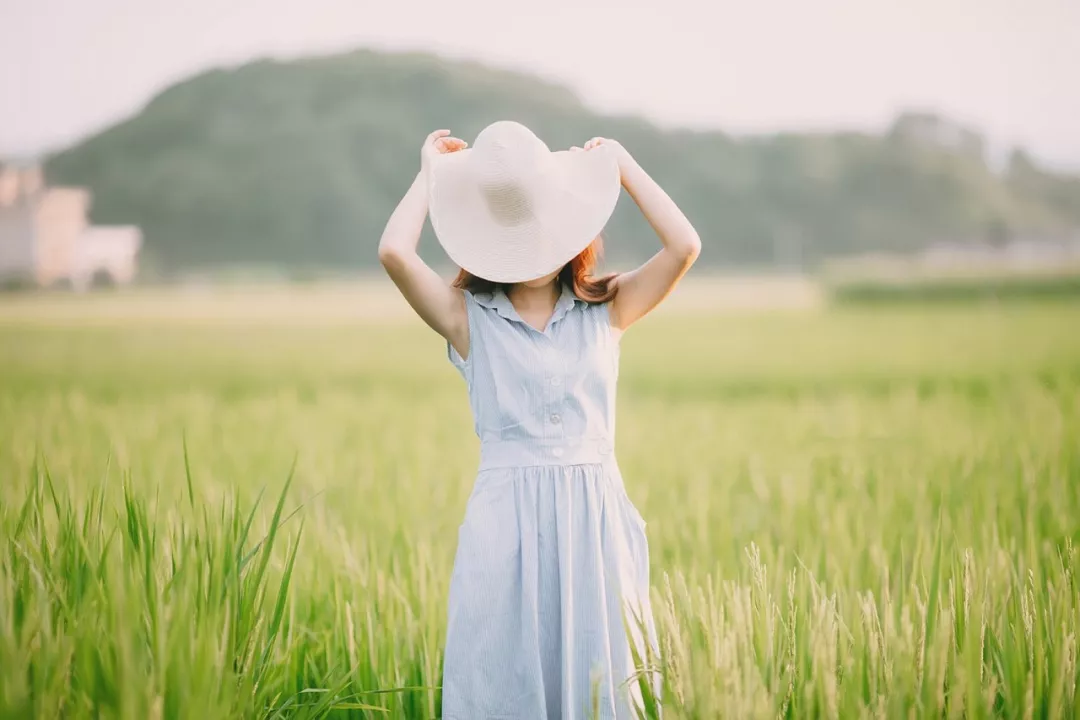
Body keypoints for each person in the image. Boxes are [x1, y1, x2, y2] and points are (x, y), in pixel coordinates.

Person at [378, 120, 700, 719]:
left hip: (594, 521)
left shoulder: (608, 307)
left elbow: (684, 246)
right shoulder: (466, 319)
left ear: (570, 230)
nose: (530, 252)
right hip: (506, 528)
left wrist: (620, 165)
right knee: (504, 682)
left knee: (603, 684)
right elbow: (395, 253)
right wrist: (432, 175)